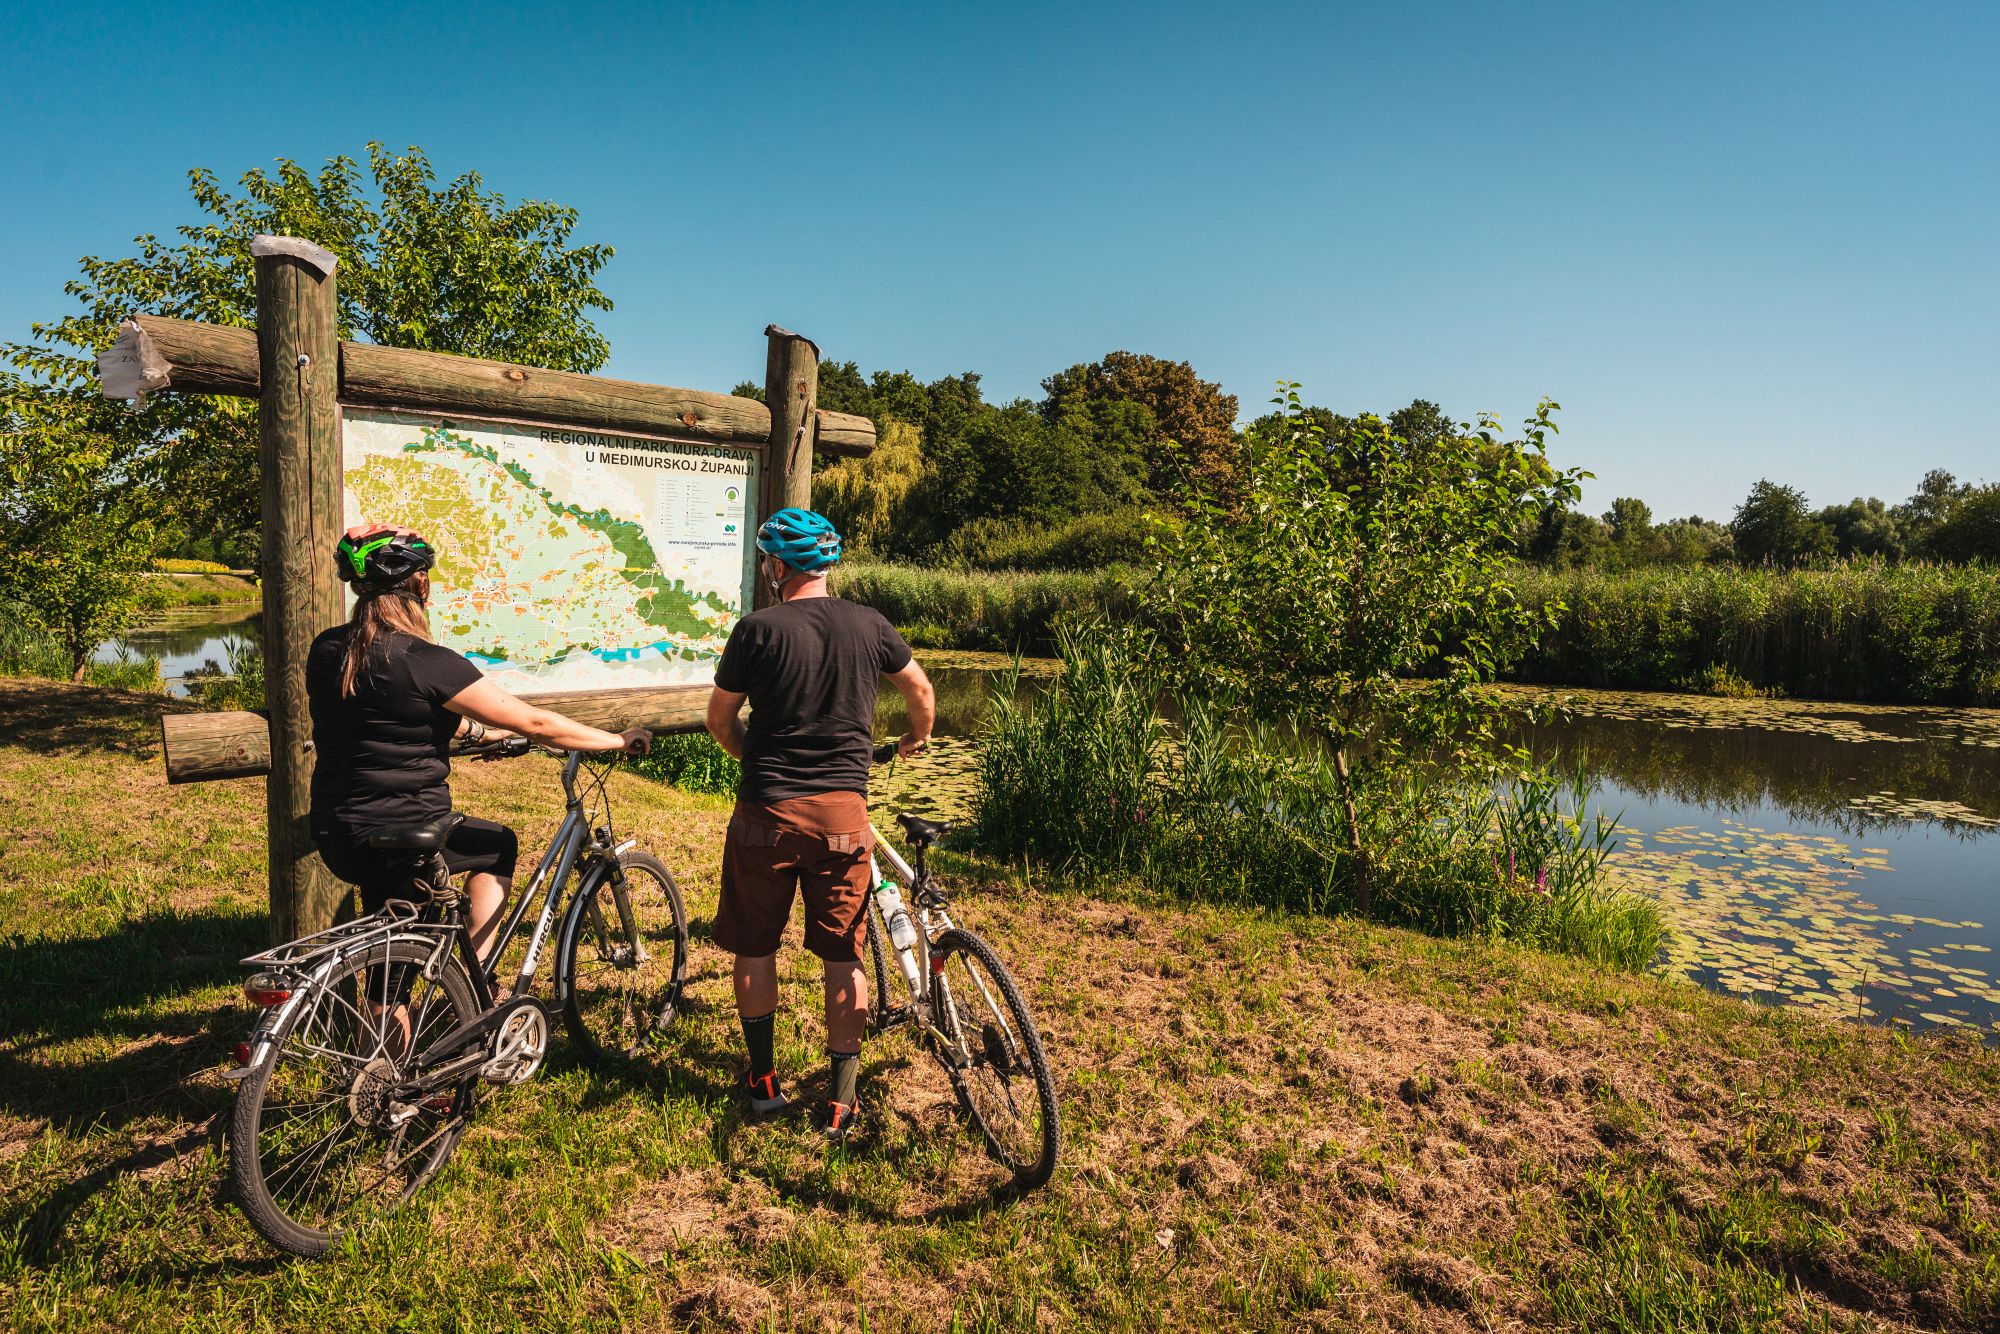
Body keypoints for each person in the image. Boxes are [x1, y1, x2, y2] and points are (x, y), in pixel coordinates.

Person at [306, 524, 653, 979]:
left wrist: (478, 734)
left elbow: (393, 713)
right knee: (496, 848)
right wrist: (618, 740)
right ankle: (470, 978)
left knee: (392, 949)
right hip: (404, 835)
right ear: (420, 584)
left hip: (339, 832)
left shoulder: (329, 649)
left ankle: (448, 993)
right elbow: (535, 723)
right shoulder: (425, 659)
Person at [705, 507, 935, 1140]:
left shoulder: (756, 629)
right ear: (827, 564)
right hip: (843, 816)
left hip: (766, 814)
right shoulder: (871, 624)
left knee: (756, 946)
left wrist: (754, 759)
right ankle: (841, 1099)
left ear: (778, 567)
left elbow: (719, 720)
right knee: (843, 954)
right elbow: (919, 691)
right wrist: (917, 739)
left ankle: (762, 1080)